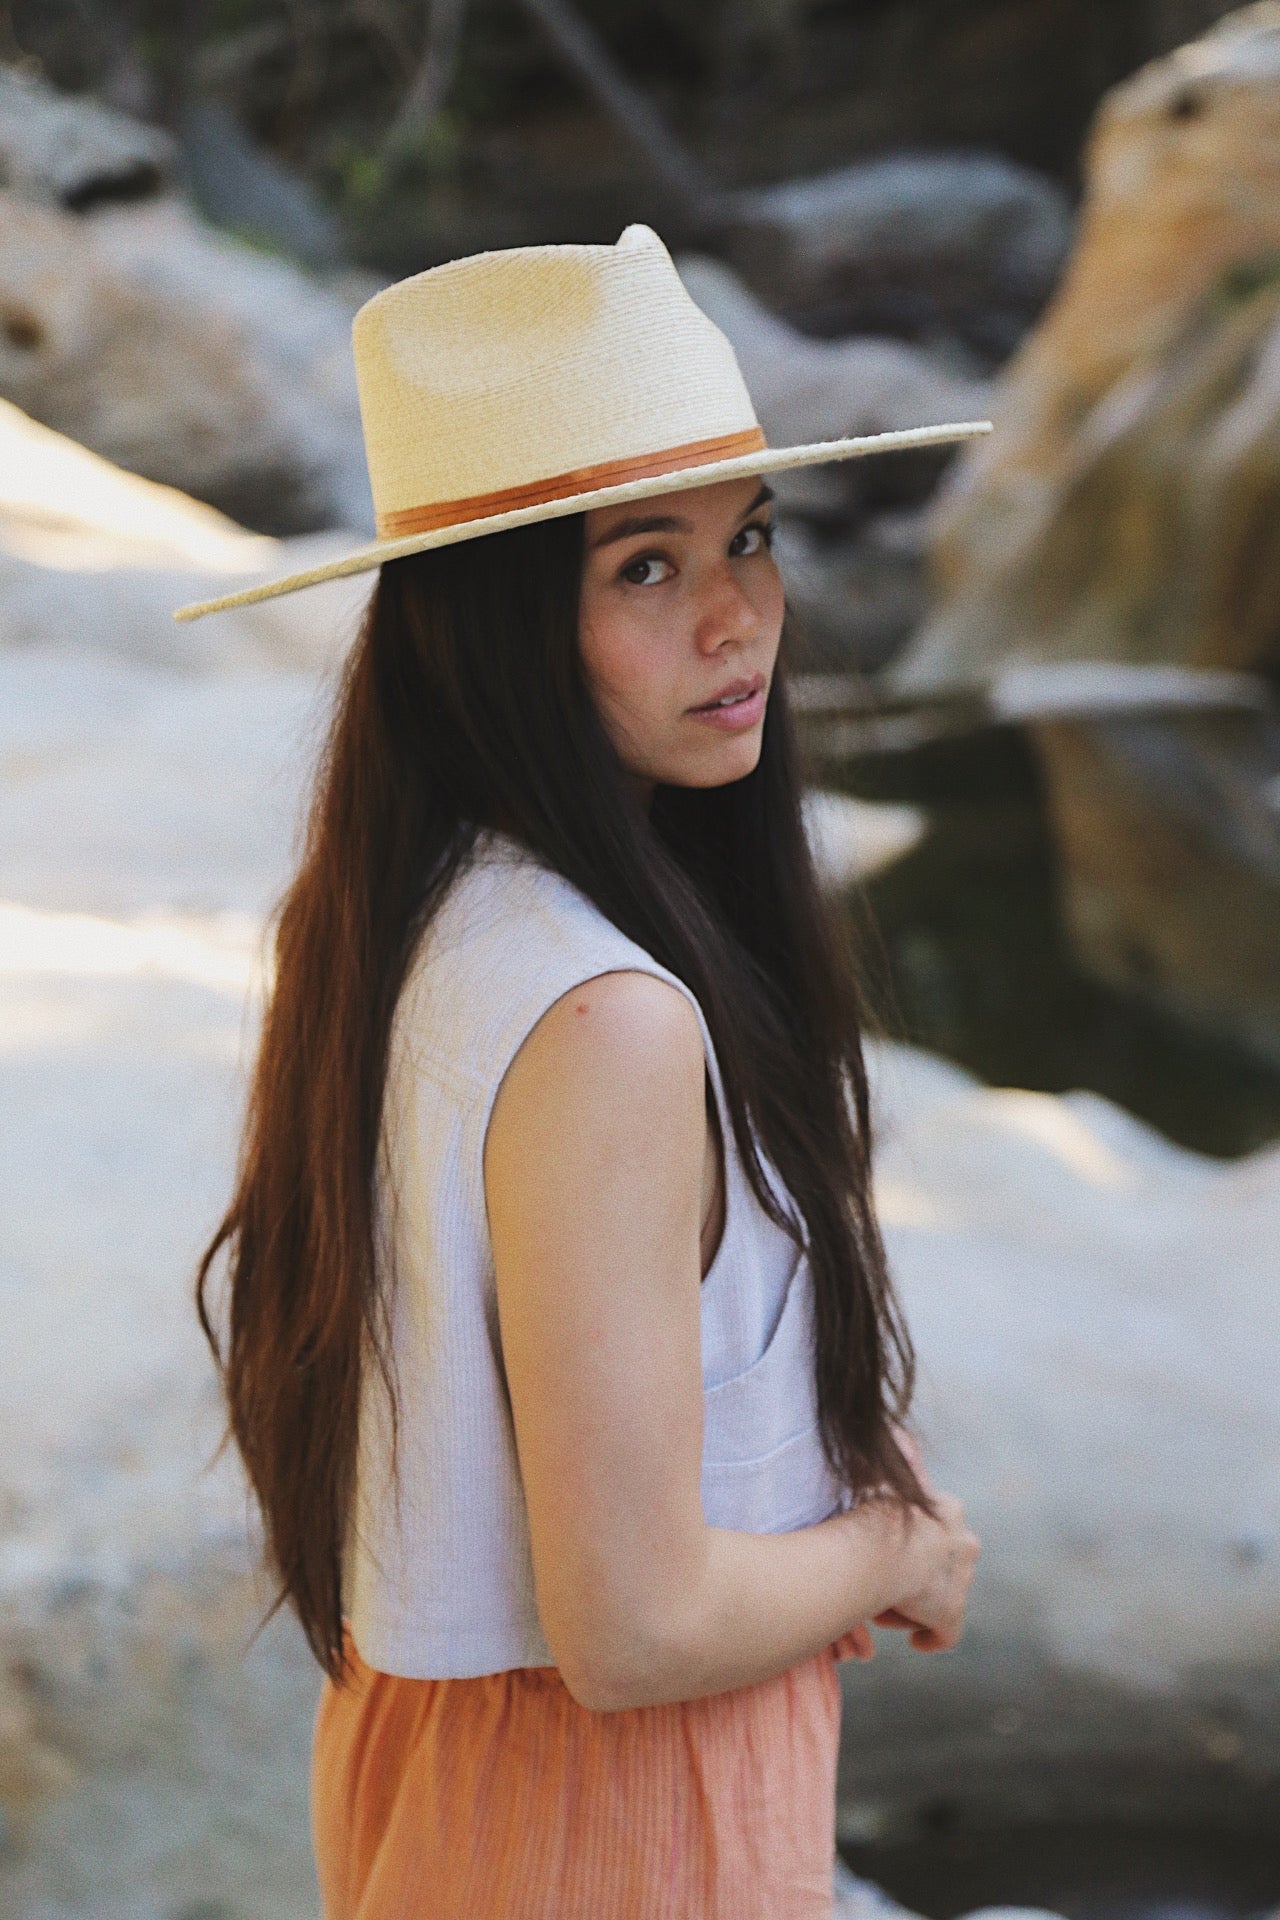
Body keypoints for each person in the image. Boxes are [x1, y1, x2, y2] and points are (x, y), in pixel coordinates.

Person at [184, 224, 986, 1918]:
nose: (737, 615)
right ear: (493, 629)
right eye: (643, 566)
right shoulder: (604, 1014)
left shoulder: (416, 913)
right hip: (610, 1830)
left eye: (748, 539)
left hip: (449, 1780)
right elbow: (633, 1632)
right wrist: (894, 1549)